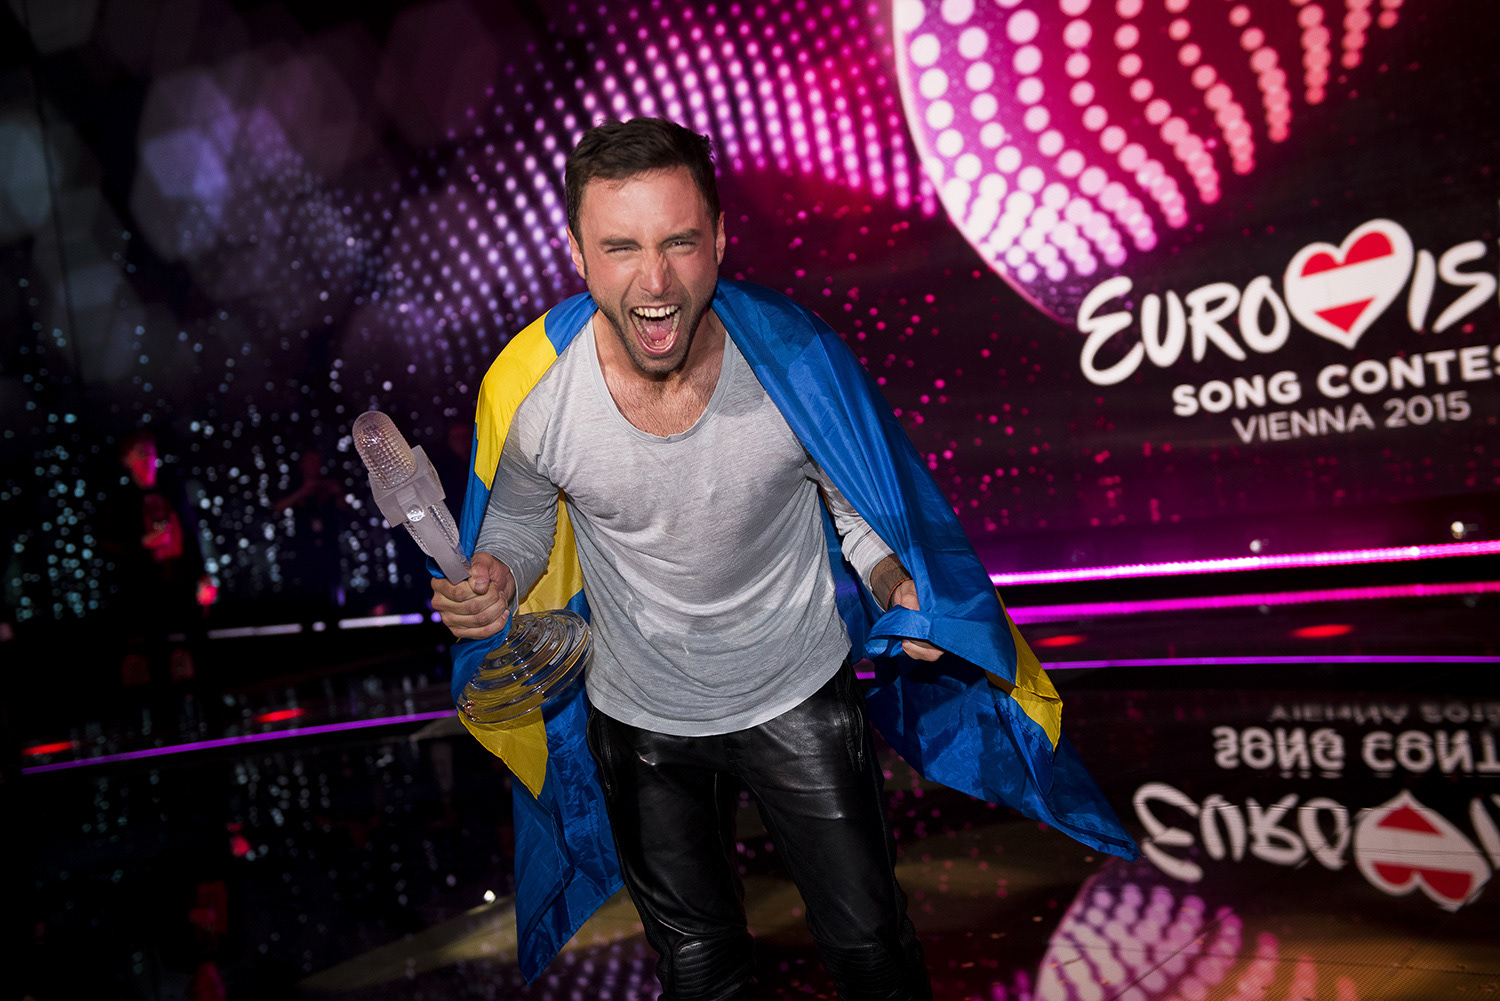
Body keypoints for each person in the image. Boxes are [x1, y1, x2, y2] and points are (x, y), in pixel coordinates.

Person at [432, 118, 1134, 999]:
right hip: (640, 718)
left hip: (796, 695)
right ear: (576, 254)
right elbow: (521, 522)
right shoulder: (535, 392)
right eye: (620, 248)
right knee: (698, 967)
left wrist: (898, 585)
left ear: (720, 239)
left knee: (871, 949)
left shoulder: (793, 361)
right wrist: (498, 570)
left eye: (679, 242)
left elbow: (862, 508)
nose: (655, 281)